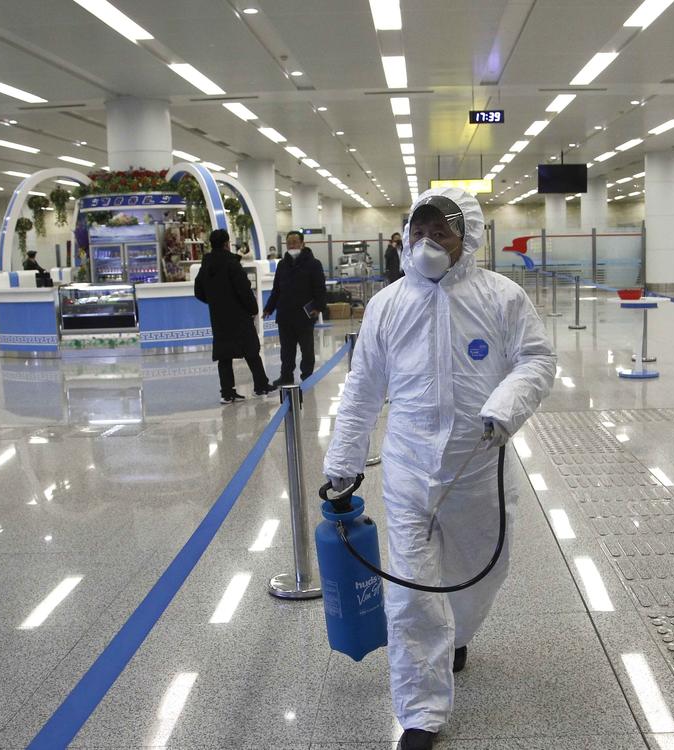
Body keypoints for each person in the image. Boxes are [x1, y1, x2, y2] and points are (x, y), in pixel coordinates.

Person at [323, 188, 556, 750]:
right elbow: (362, 390)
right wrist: (343, 462)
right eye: (418, 231)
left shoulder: (501, 298)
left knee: (483, 568)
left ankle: (458, 633)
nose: (426, 243)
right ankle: (421, 713)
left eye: (440, 233)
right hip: (408, 468)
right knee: (411, 592)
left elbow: (537, 359)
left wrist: (504, 409)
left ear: (467, 239)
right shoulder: (387, 304)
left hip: (479, 465)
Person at [194, 229, 277, 403]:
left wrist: (215, 303)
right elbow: (243, 289)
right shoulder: (231, 263)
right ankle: (261, 386)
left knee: (224, 355)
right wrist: (253, 308)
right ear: (226, 243)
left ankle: (227, 392)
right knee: (251, 350)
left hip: (219, 317)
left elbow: (198, 291)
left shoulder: (206, 264)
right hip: (239, 315)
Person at [263, 230, 327, 385]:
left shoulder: (313, 264)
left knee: (307, 349)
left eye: (295, 242)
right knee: (286, 350)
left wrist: (318, 307)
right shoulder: (282, 265)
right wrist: (269, 308)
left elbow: (320, 288)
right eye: (289, 242)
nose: (292, 245)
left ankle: (307, 376)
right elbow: (276, 289)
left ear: (302, 244)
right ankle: (286, 375)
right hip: (285, 314)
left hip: (304, 314)